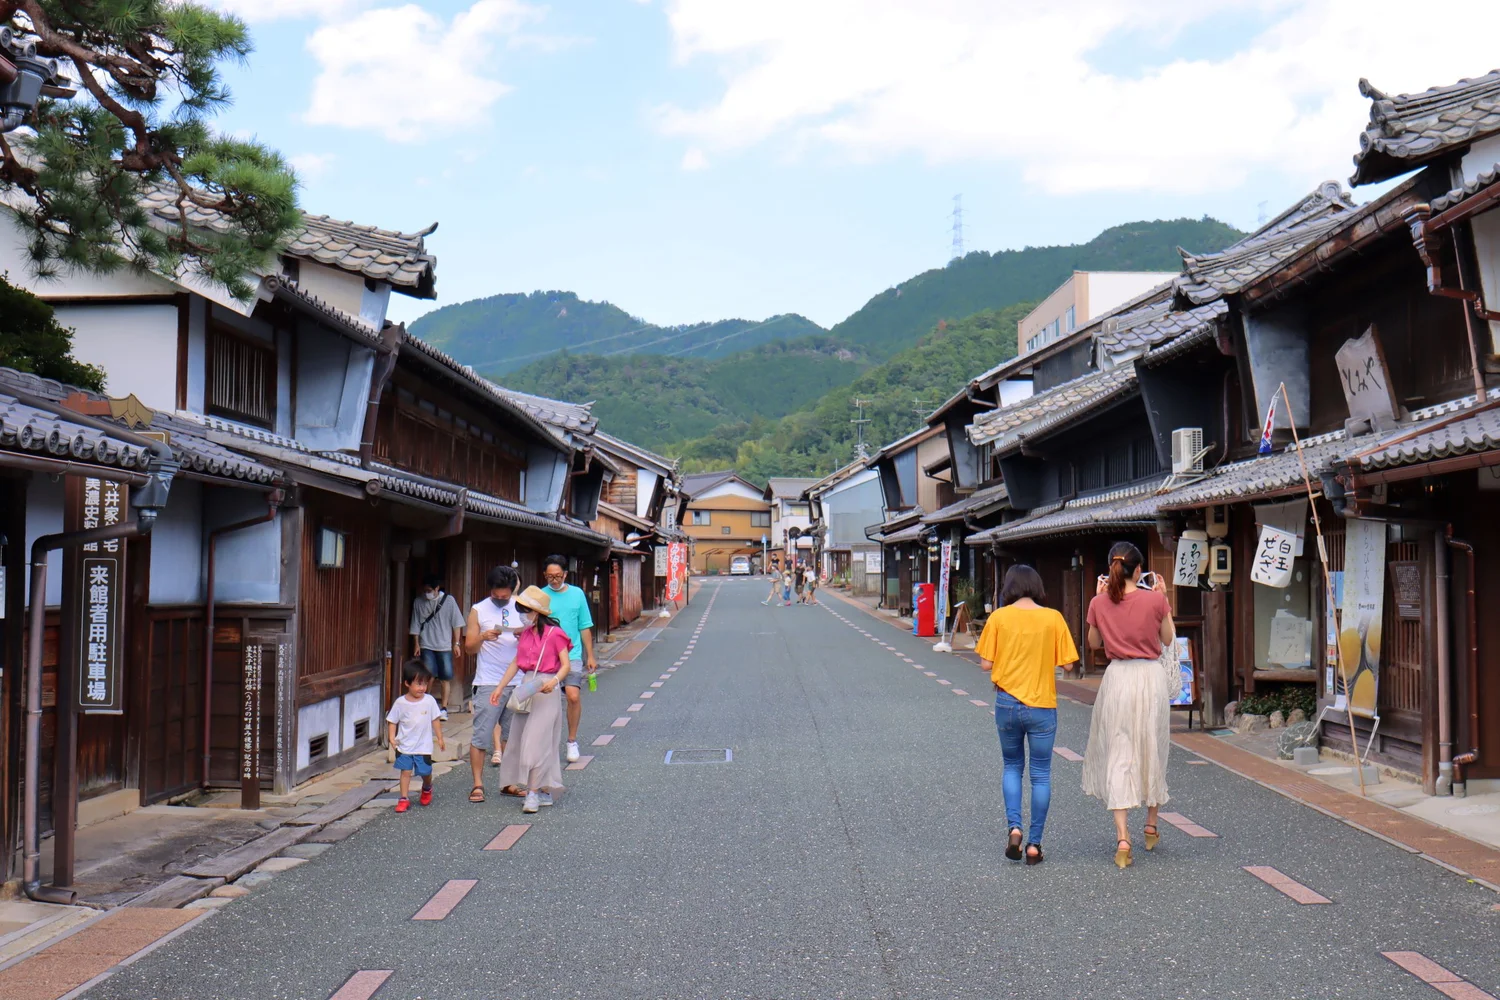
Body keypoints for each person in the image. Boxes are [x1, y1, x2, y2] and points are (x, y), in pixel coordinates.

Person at [1081, 541, 1176, 869]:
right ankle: (1151, 823)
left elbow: (1094, 643)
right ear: (1139, 570)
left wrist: (1099, 601)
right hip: (1150, 678)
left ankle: (1123, 837)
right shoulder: (1156, 599)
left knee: (1120, 752)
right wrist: (1165, 601)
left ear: (1111, 569)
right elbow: (1167, 639)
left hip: (1118, 678)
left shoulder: (1098, 602)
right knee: (1153, 746)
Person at [975, 565, 1079, 865]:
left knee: (1011, 766)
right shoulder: (1053, 618)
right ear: (1037, 586)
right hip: (1042, 704)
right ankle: (1034, 844)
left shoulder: (998, 617)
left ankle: (1015, 828)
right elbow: (1069, 665)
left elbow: (985, 663)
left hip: (1007, 702)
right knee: (1041, 774)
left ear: (1009, 587)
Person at [491, 585, 573, 813]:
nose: (522, 615)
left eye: (524, 610)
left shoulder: (555, 634)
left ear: (536, 612)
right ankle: (540, 788)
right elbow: (517, 662)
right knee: (521, 739)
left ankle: (533, 793)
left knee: (536, 741)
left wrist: (554, 682)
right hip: (528, 687)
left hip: (547, 689)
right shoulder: (526, 634)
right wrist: (500, 687)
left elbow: (566, 665)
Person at [465, 565, 526, 802]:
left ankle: (509, 782)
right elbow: (469, 647)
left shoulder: (522, 606)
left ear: (512, 590)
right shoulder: (478, 610)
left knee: (512, 737)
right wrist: (482, 636)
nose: (501, 599)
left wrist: (525, 632)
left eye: (505, 596)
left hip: (519, 680)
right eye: (496, 595)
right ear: (490, 589)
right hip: (488, 680)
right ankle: (478, 784)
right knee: (481, 735)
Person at [541, 555, 596, 763]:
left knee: (573, 696)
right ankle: (547, 743)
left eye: (557, 576)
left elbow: (585, 625)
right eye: (549, 577)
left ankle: (571, 741)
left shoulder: (577, 594)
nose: (554, 580)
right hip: (547, 656)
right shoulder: (540, 595)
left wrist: (590, 655)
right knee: (547, 700)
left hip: (572, 654)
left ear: (565, 573)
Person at [386, 660, 446, 813]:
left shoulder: (429, 701)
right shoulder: (400, 703)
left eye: (424, 684)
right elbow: (392, 721)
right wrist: (392, 738)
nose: (422, 688)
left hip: (423, 745)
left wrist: (440, 737)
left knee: (425, 772)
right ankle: (404, 798)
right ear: (407, 683)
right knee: (405, 771)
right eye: (418, 684)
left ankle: (427, 787)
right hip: (405, 744)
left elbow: (435, 719)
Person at [409, 573, 466, 720]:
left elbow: (457, 624)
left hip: (444, 645)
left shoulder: (449, 601)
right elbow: (415, 623)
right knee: (428, 676)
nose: (426, 593)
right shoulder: (418, 602)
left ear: (437, 589)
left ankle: (444, 708)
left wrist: (457, 643)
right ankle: (425, 705)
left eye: (429, 590)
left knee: (445, 678)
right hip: (426, 644)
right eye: (425, 590)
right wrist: (416, 643)